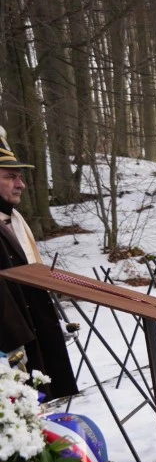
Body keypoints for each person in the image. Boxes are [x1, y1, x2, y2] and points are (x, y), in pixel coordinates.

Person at [0, 127, 77, 401]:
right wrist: (14, 343)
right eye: (10, 177)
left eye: (19, 177)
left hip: (33, 338)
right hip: (10, 348)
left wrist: (48, 320)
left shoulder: (15, 220)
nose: (20, 184)